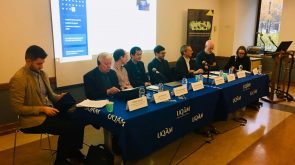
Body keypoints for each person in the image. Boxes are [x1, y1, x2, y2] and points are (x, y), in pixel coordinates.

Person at [9, 45, 85, 164]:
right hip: (33, 119)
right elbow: (17, 108)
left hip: (50, 112)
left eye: (42, 63)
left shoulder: (42, 74)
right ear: (28, 61)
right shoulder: (19, 79)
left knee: (78, 119)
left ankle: (73, 151)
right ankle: (61, 161)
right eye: (39, 64)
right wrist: (42, 109)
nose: (41, 67)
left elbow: (50, 96)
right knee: (68, 128)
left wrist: (59, 97)